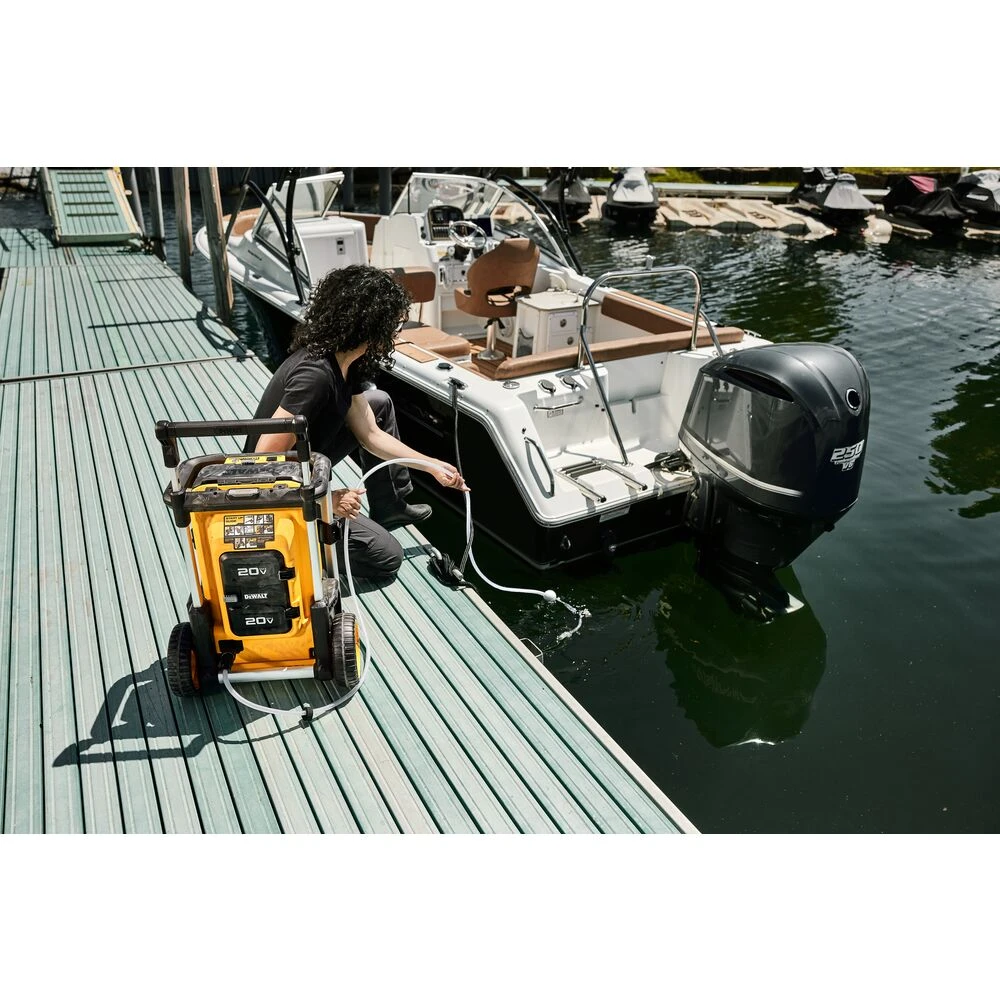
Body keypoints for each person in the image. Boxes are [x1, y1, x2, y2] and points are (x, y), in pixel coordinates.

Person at [244, 264, 468, 581]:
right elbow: (262, 462)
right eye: (394, 323)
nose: (396, 332)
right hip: (275, 499)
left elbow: (370, 434)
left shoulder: (346, 363)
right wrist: (326, 500)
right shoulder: (316, 376)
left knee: (377, 403)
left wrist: (431, 465)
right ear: (371, 323)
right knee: (386, 556)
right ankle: (299, 553)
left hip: (305, 471)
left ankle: (389, 506)